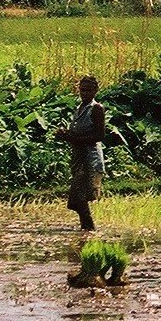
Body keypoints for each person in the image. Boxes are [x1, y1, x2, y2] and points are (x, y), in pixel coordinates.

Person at [56, 76, 106, 232]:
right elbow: (77, 134)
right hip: (79, 156)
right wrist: (66, 135)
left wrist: (74, 138)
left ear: (95, 91)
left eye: (88, 90)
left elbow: (99, 135)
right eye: (82, 90)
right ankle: (86, 227)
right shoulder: (79, 109)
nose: (84, 93)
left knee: (78, 197)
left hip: (89, 158)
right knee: (76, 200)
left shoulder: (96, 108)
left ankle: (89, 228)